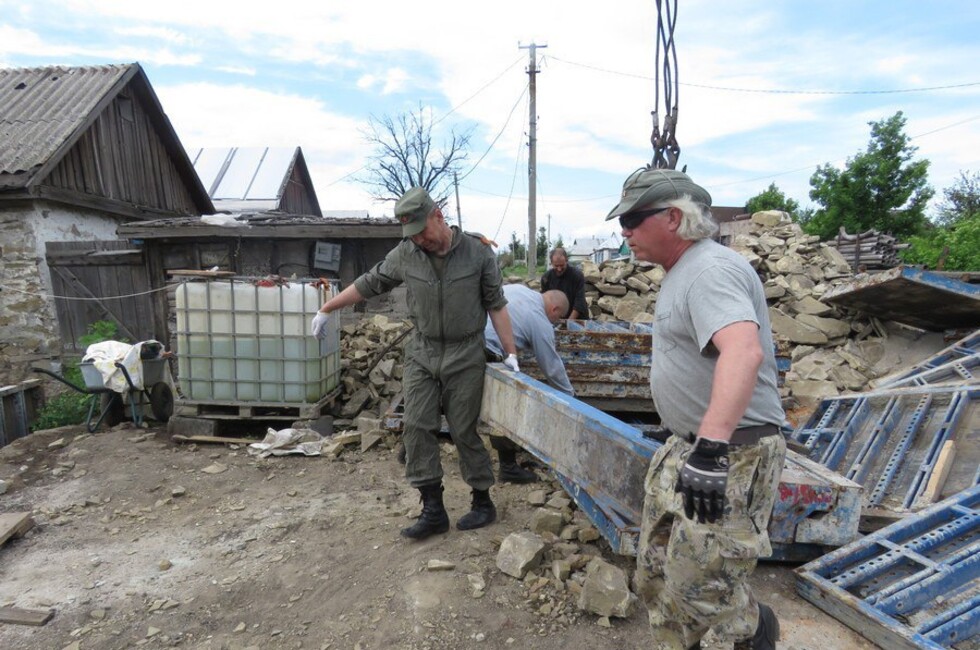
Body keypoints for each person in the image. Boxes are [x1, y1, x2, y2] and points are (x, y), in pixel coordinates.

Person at [605, 168, 786, 650]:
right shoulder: (682, 272)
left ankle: (750, 632)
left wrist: (710, 449)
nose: (624, 232)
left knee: (704, 587)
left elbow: (743, 351)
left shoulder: (709, 270)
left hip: (729, 453)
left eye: (633, 218)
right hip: (688, 446)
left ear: (672, 217)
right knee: (656, 573)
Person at [311, 187, 519, 541]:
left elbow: (496, 304)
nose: (419, 239)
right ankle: (432, 509)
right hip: (422, 350)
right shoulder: (406, 254)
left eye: (422, 230)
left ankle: (482, 501)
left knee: (463, 429)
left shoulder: (477, 253)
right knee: (417, 425)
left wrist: (512, 354)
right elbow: (369, 283)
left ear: (438, 216)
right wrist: (328, 308)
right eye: (412, 234)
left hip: (465, 352)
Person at [483, 284, 575, 483]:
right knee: (506, 405)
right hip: (489, 351)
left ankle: (413, 447)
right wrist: (570, 399)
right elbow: (551, 366)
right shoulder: (539, 319)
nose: (555, 323)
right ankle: (507, 467)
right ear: (555, 310)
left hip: (468, 342)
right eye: (557, 320)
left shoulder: (519, 289)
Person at [539, 247, 588, 320]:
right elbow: (545, 302)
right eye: (556, 266)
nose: (559, 269)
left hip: (578, 318)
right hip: (556, 318)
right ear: (551, 263)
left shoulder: (577, 275)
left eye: (562, 265)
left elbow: (580, 301)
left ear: (566, 261)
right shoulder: (546, 278)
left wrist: (569, 322)